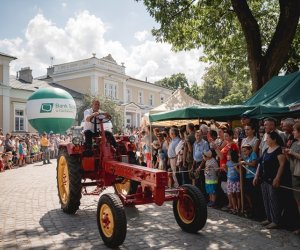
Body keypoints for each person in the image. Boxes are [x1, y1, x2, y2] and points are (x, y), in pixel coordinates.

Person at [253, 131, 290, 229]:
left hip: (272, 179)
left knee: (274, 200)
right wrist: (256, 175)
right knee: (266, 199)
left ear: (274, 139)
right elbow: (260, 163)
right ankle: (269, 218)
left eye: (268, 138)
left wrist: (277, 178)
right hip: (264, 179)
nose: (266, 140)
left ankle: (275, 221)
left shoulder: (279, 150)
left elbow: (282, 165)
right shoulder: (266, 150)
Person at [225, 149, 241, 215]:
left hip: (236, 181)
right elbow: (227, 172)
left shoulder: (237, 163)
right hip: (230, 181)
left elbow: (240, 173)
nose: (227, 156)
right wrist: (225, 168)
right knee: (232, 195)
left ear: (232, 156)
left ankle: (239, 209)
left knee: (238, 196)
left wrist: (236, 168)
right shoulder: (228, 163)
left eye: (229, 155)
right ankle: (234, 208)